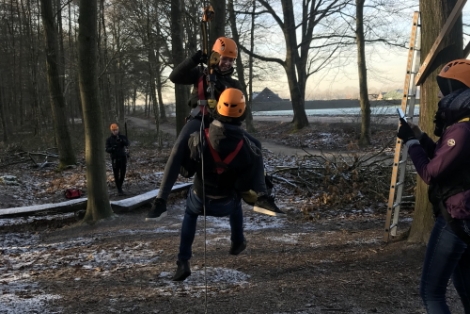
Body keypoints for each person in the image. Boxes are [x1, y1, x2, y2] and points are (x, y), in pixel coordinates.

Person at [146, 37, 284, 221]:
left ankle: (262, 197)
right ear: (215, 57)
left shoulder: (234, 84)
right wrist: (195, 58)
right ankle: (161, 200)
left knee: (255, 146)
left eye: (230, 60)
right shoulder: (199, 75)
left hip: (223, 123)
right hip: (199, 117)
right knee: (178, 147)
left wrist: (221, 94)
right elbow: (175, 77)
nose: (226, 63)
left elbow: (240, 109)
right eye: (223, 58)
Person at [397, 59, 470, 313]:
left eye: (442, 86)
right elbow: (446, 161)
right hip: (464, 217)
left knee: (432, 293)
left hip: (456, 218)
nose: (438, 93)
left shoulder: (462, 130)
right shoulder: (462, 126)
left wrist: (411, 144)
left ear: (455, 88)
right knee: (467, 292)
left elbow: (430, 172)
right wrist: (419, 137)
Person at [172, 88, 256, 281]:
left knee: (190, 214)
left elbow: (186, 172)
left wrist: (189, 148)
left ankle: (183, 261)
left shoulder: (200, 137)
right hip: (226, 202)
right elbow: (245, 183)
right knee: (237, 205)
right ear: (242, 112)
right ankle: (237, 241)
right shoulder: (246, 146)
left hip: (201, 198)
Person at [105, 123, 129, 196]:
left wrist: (122, 141)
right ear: (111, 131)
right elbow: (107, 149)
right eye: (113, 130)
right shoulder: (109, 139)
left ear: (118, 130)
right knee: (116, 174)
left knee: (122, 173)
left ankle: (120, 186)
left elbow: (127, 144)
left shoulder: (122, 137)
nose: (115, 132)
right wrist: (113, 148)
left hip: (122, 157)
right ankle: (119, 189)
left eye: (116, 130)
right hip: (115, 158)